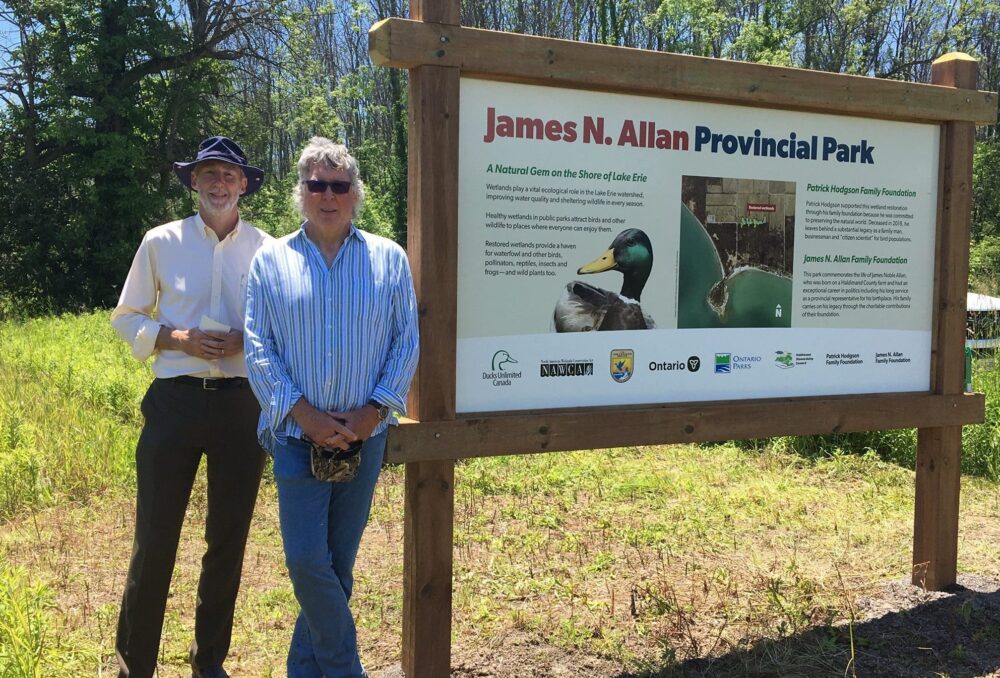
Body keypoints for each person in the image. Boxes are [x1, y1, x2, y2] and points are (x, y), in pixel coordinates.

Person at [244, 137, 419, 677]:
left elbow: (405, 341)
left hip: (364, 440)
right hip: (297, 439)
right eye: (316, 184)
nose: (327, 195)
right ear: (300, 192)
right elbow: (258, 345)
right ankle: (347, 670)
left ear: (355, 193)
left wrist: (373, 413)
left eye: (338, 185)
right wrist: (304, 414)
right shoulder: (270, 261)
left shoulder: (388, 258)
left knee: (337, 565)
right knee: (305, 561)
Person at [111, 136, 271, 678]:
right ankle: (137, 664)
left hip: (241, 406)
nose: (220, 183)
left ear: (244, 184)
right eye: (209, 174)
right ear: (194, 183)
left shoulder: (268, 250)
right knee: (155, 535)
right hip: (174, 404)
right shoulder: (161, 242)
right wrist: (178, 338)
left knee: (227, 539)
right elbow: (126, 317)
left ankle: (210, 663)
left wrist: (244, 343)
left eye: (229, 174)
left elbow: (282, 328)